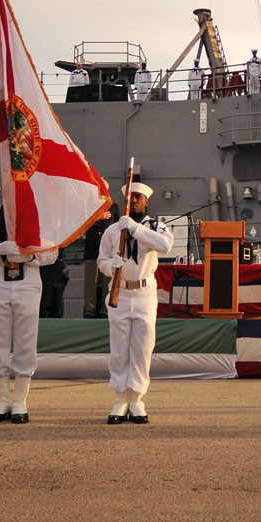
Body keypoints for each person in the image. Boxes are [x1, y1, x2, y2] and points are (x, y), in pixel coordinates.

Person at [0, 193, 59, 424]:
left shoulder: (38, 214)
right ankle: (1, 400)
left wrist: (30, 256)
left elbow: (53, 252)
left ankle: (20, 400)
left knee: (26, 340)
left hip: (27, 280)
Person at [98, 180, 174, 424]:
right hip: (120, 293)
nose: (134, 202)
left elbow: (164, 246)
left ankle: (137, 400)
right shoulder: (112, 231)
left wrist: (135, 229)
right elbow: (101, 261)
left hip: (144, 295)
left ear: (147, 201)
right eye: (130, 199)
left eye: (138, 198)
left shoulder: (156, 228)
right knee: (119, 349)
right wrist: (111, 266)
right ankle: (120, 399)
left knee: (142, 349)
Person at [83, 197, 117, 319]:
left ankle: (106, 309)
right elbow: (81, 225)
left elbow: (118, 227)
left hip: (108, 251)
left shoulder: (113, 207)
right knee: (90, 281)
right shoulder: (88, 207)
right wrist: (97, 217)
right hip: (92, 250)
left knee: (107, 280)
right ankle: (89, 310)